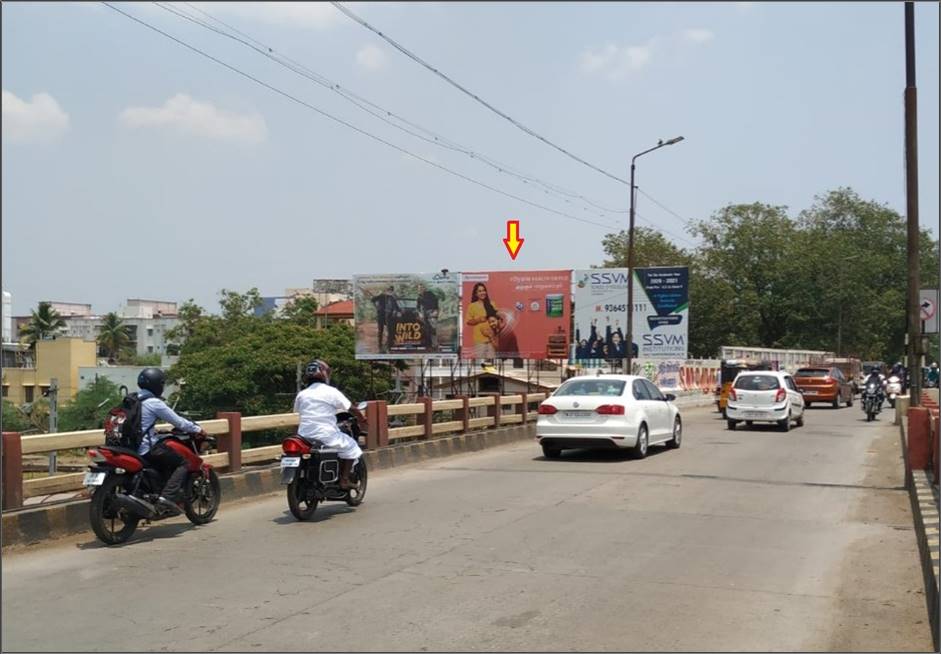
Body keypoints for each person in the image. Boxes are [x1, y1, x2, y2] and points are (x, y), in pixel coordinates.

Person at [136, 367, 207, 515]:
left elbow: (138, 424)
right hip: (145, 448)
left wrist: (153, 431)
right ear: (157, 385)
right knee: (183, 463)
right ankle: (165, 499)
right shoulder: (153, 402)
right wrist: (198, 429)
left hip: (128, 447)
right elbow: (179, 422)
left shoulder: (131, 399)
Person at [293, 359, 365, 490]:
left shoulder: (301, 394)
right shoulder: (331, 391)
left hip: (303, 436)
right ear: (325, 374)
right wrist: (362, 419)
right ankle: (344, 480)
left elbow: (298, 412)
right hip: (325, 435)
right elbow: (352, 408)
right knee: (352, 447)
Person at [466, 282, 498, 358]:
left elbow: (497, 319)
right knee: (481, 365)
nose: (482, 293)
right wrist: (478, 320)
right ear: (476, 294)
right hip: (479, 340)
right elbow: (468, 321)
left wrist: (491, 333)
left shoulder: (492, 304)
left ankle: (489, 370)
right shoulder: (472, 306)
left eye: (483, 290)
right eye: (479, 291)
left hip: (491, 339)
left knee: (490, 365)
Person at [370, 286, 400, 353]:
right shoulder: (382, 296)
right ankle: (380, 345)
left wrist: (399, 311)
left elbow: (396, 306)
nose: (390, 292)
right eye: (389, 290)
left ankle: (389, 345)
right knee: (380, 331)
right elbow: (372, 300)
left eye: (391, 291)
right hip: (381, 316)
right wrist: (378, 295)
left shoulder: (392, 298)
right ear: (387, 290)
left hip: (389, 317)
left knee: (390, 331)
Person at [416, 284, 440, 349]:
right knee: (427, 330)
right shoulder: (419, 297)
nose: (420, 289)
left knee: (433, 329)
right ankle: (429, 345)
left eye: (421, 287)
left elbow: (436, 300)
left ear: (424, 288)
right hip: (424, 314)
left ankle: (435, 345)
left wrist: (436, 310)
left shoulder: (430, 294)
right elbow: (417, 308)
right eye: (419, 288)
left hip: (432, 312)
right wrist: (419, 313)